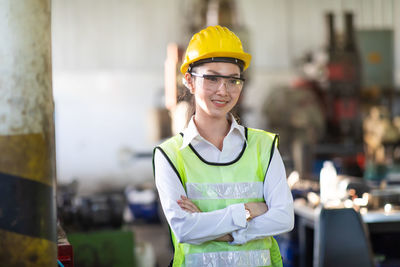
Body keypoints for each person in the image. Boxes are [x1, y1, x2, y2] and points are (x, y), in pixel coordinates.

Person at [153, 25, 294, 267]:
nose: (223, 90)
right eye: (212, 78)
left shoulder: (263, 146)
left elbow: (283, 219)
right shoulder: (170, 155)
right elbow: (184, 229)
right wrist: (248, 210)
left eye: (233, 81)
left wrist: (216, 229)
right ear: (189, 81)